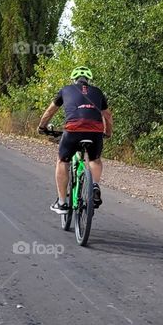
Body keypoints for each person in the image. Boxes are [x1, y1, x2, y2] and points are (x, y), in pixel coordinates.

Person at [37, 65, 112, 216]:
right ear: (88, 80)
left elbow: (50, 111)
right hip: (95, 132)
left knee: (62, 161)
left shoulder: (65, 90)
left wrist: (42, 127)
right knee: (95, 159)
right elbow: (108, 116)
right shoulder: (98, 92)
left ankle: (62, 203)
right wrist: (108, 133)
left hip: (73, 130)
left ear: (74, 79)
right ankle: (95, 186)